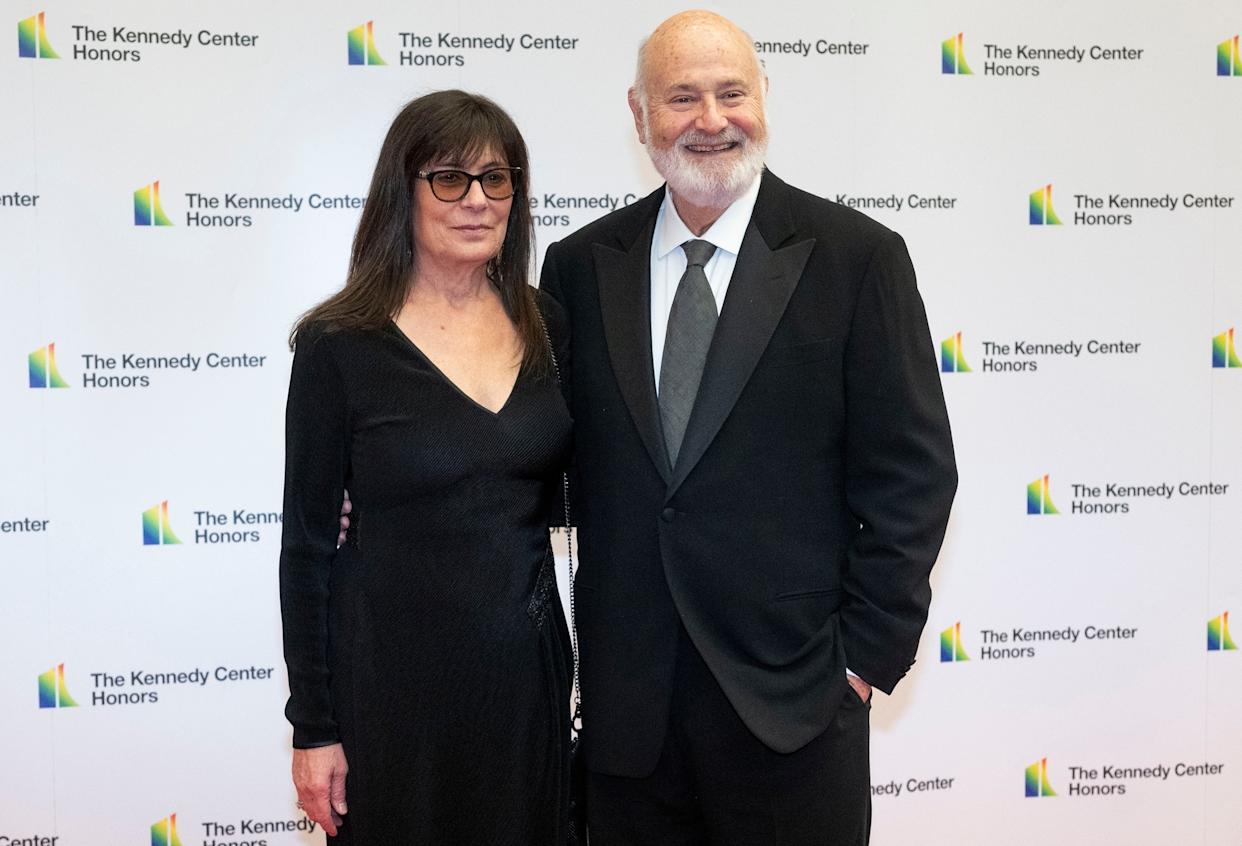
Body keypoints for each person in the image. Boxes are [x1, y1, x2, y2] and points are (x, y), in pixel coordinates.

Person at [538, 11, 957, 845]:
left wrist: (861, 662)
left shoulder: (857, 258)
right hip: (630, 724)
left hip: (794, 714)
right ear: (638, 113)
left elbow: (913, 477)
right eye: (682, 97)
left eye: (732, 92)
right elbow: (553, 458)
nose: (711, 119)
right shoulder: (580, 267)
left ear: (765, 95)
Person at [279, 90, 572, 844]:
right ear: (400, 191)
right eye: (450, 178)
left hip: (524, 684)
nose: (477, 200)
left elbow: (567, 489)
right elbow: (306, 551)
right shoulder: (339, 345)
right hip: (389, 695)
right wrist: (313, 727)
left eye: (496, 179)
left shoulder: (548, 326)